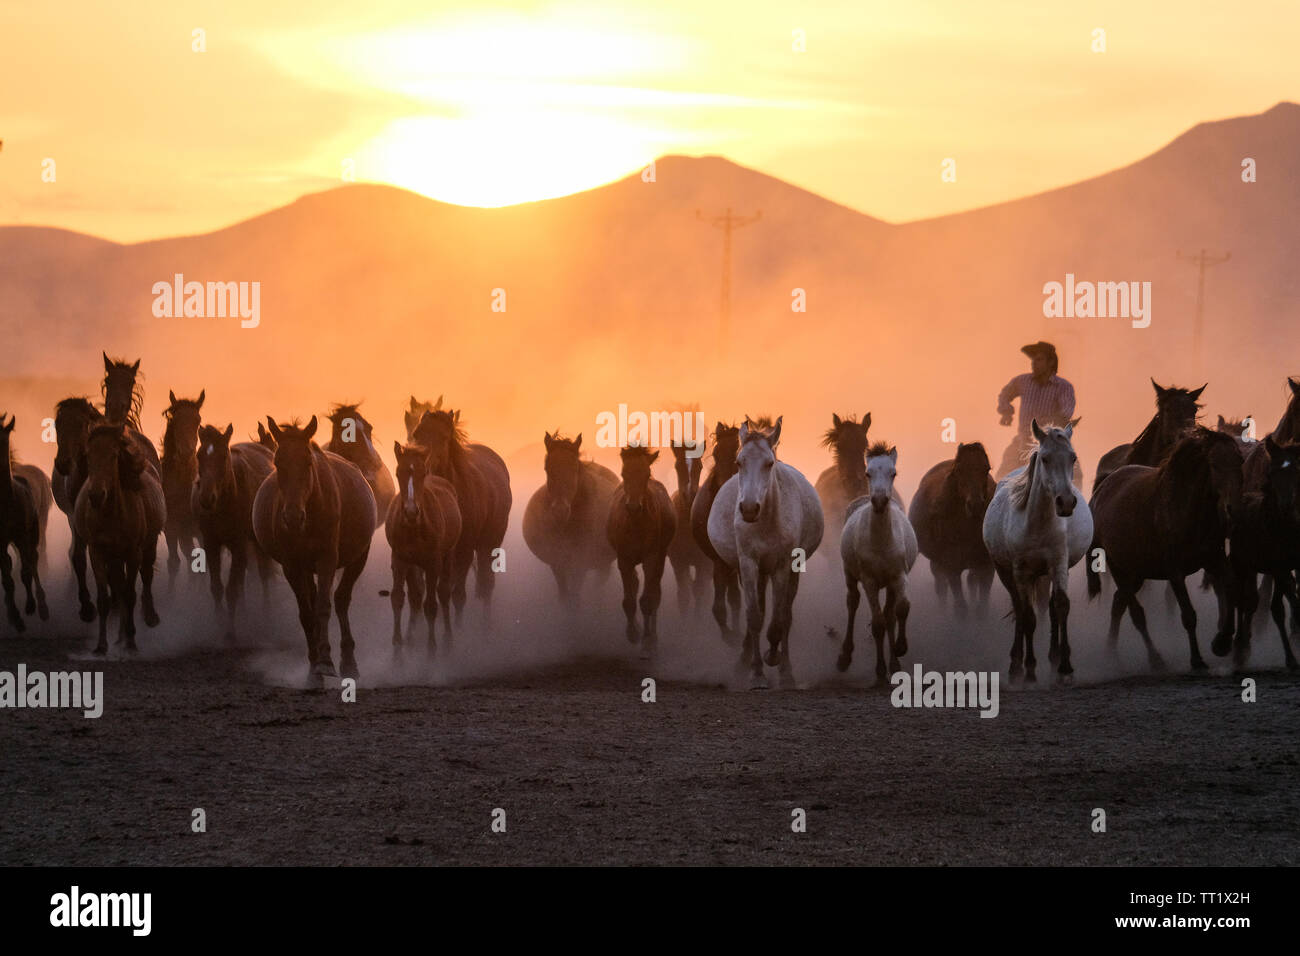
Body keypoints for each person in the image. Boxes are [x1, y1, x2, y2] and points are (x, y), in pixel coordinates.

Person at [995, 341, 1079, 481]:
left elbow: (1066, 411)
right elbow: (1004, 395)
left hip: (1052, 443)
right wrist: (1006, 411)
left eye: (1039, 359)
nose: (1033, 363)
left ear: (1051, 362)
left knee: (1075, 477)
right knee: (1002, 475)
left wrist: (1049, 420)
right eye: (1033, 360)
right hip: (1023, 440)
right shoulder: (1023, 381)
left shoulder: (1063, 387)